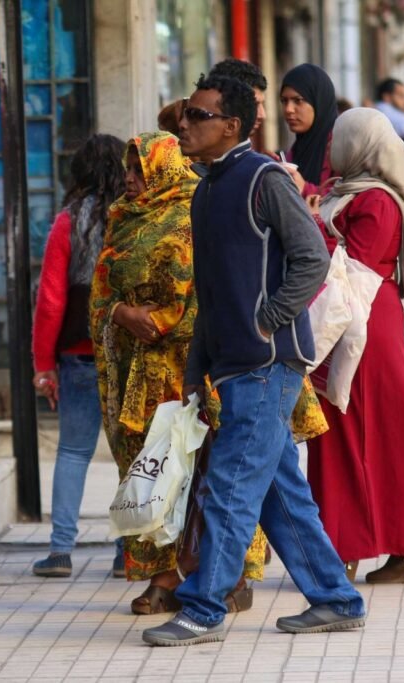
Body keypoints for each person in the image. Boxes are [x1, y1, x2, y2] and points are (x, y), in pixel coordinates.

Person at [141, 74, 365, 647]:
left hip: (269, 365)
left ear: (231, 126)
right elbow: (210, 292)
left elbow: (312, 257)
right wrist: (196, 369)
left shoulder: (263, 178)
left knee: (230, 488)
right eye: (187, 115)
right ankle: (337, 598)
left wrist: (268, 318)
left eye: (197, 116)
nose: (184, 124)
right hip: (232, 367)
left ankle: (203, 609)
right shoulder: (206, 188)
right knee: (276, 492)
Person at [89, 132, 265, 616]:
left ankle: (219, 576)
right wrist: (122, 313)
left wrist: (162, 321)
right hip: (138, 378)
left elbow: (210, 288)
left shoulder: (196, 209)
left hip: (190, 372)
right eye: (128, 168)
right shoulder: (122, 220)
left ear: (162, 168)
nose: (128, 178)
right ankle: (167, 574)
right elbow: (101, 292)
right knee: (153, 474)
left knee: (203, 473)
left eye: (138, 169)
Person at [306, 108, 404, 584]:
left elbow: (353, 269)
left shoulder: (377, 201)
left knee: (356, 434)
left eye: (338, 140)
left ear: (360, 145)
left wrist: (308, 230)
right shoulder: (346, 192)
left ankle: (355, 549)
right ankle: (394, 547)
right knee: (375, 434)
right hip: (356, 323)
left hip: (363, 327)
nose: (330, 148)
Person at [31, 134, 127, 578]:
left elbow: (50, 301)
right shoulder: (137, 218)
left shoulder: (68, 221)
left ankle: (60, 551)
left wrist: (43, 365)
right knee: (133, 454)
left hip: (79, 357)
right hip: (127, 356)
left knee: (72, 452)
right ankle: (130, 550)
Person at [280, 64, 339, 197]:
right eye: (284, 101)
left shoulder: (340, 147)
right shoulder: (296, 150)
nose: (288, 109)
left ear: (318, 101)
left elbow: (349, 198)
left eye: (298, 100)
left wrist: (306, 188)